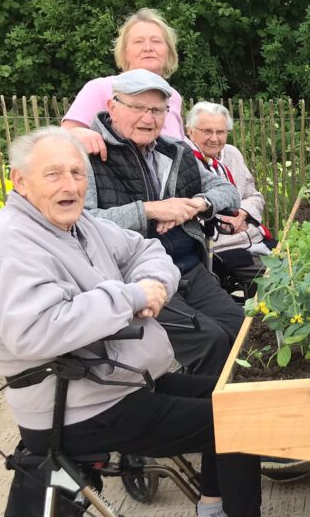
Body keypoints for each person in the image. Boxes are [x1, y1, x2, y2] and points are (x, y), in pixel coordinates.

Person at [0, 127, 310, 517]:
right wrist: (131, 297)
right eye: (53, 174)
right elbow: (35, 329)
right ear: (20, 181)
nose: (70, 186)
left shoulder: (80, 225)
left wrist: (153, 284)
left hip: (120, 382)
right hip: (78, 409)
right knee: (235, 421)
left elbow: (146, 251)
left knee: (237, 397)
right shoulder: (11, 242)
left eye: (77, 173)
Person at [84, 69, 244, 377]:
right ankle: (206, 406)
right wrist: (150, 210)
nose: (148, 118)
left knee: (242, 330)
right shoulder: (89, 154)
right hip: (135, 279)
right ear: (112, 106)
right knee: (210, 342)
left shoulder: (176, 150)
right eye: (138, 107)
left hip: (189, 268)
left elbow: (228, 192)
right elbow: (83, 224)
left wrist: (195, 205)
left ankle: (231, 401)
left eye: (157, 110)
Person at [62, 8, 186, 160]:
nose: (148, 48)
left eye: (156, 41)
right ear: (125, 52)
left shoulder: (173, 97)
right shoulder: (99, 89)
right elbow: (64, 138)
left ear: (169, 51)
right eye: (138, 42)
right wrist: (77, 134)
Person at [185, 102, 274, 293]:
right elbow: (187, 208)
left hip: (252, 236)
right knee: (279, 277)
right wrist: (224, 220)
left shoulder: (232, 154)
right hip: (220, 247)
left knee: (298, 262)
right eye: (207, 131)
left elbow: (254, 196)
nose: (214, 138)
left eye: (220, 132)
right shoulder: (184, 160)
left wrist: (242, 213)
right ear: (190, 131)